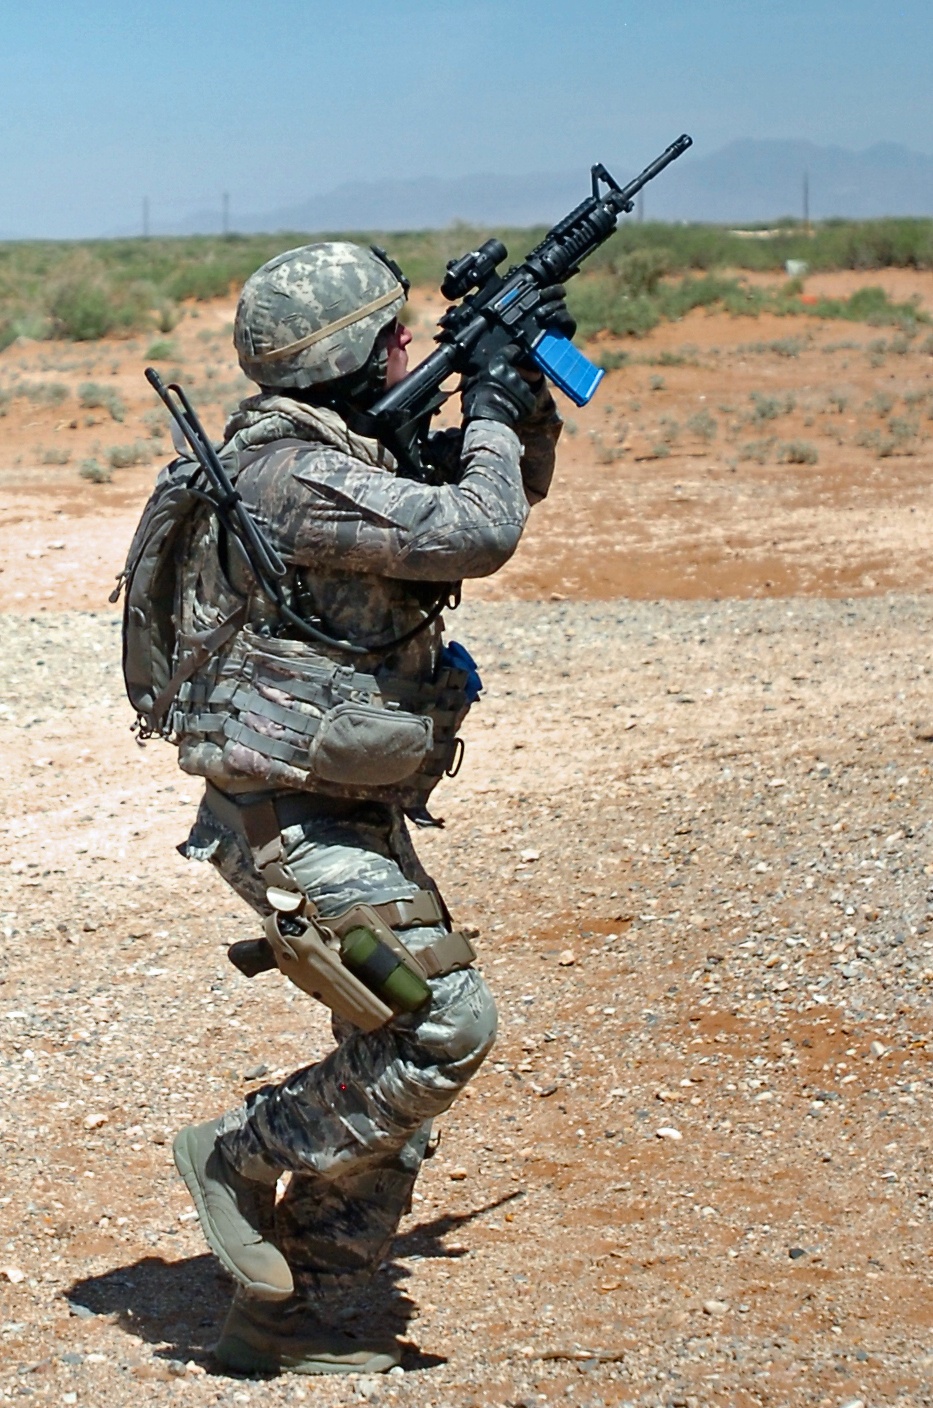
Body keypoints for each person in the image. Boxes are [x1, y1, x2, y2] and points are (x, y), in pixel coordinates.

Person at [168, 241, 565, 1375]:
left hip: (343, 800)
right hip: (287, 822)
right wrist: (483, 399)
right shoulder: (289, 474)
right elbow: (477, 532)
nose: (410, 347)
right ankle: (233, 1154)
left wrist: (518, 404)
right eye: (397, 335)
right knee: (441, 1025)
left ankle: (284, 1324)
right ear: (352, 352)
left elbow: (501, 490)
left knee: (384, 1064)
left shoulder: (350, 450)